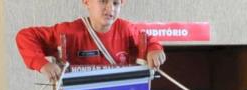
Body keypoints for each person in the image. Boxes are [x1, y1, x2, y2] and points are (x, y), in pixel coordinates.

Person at [15, 0, 165, 81]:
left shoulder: (126, 30)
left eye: (115, 3)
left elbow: (149, 40)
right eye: (103, 1)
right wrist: (42, 63)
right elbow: (26, 36)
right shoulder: (69, 31)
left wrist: (155, 49)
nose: (110, 8)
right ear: (86, 1)